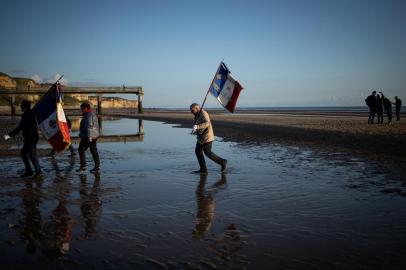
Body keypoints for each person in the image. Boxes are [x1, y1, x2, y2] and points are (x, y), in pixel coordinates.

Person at [3, 100, 42, 177]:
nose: (20, 107)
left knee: (32, 155)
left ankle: (38, 172)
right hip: (32, 137)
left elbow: (20, 127)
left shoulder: (27, 114)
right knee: (24, 153)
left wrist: (9, 136)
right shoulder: (32, 113)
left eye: (21, 106)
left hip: (31, 137)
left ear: (24, 106)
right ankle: (30, 171)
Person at [190, 103, 227, 174]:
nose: (191, 112)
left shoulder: (203, 113)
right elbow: (198, 124)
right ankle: (203, 169)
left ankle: (222, 162)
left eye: (192, 110)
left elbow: (207, 123)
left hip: (207, 137)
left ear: (197, 108)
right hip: (201, 138)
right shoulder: (197, 114)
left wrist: (197, 127)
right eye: (191, 110)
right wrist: (195, 129)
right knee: (198, 151)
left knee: (208, 152)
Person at [76, 102, 100, 173]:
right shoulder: (92, 114)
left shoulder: (89, 115)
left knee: (81, 149)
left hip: (89, 136)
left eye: (82, 109)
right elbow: (95, 126)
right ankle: (97, 167)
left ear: (86, 108)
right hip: (94, 135)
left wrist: (89, 138)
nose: (82, 110)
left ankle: (83, 166)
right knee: (93, 150)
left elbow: (89, 127)